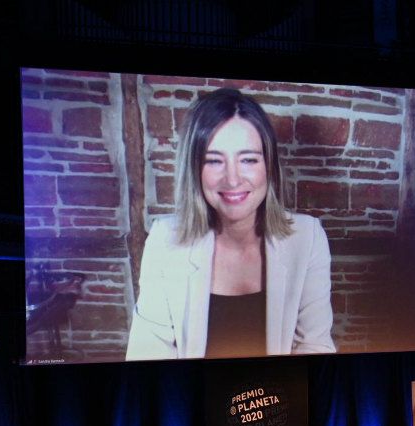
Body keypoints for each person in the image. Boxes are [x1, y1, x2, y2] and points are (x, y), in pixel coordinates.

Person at [126, 87, 335, 360]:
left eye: (248, 159)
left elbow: (315, 348)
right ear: (194, 169)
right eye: (214, 161)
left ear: (268, 166)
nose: (233, 179)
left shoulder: (308, 238)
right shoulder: (164, 240)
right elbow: (147, 358)